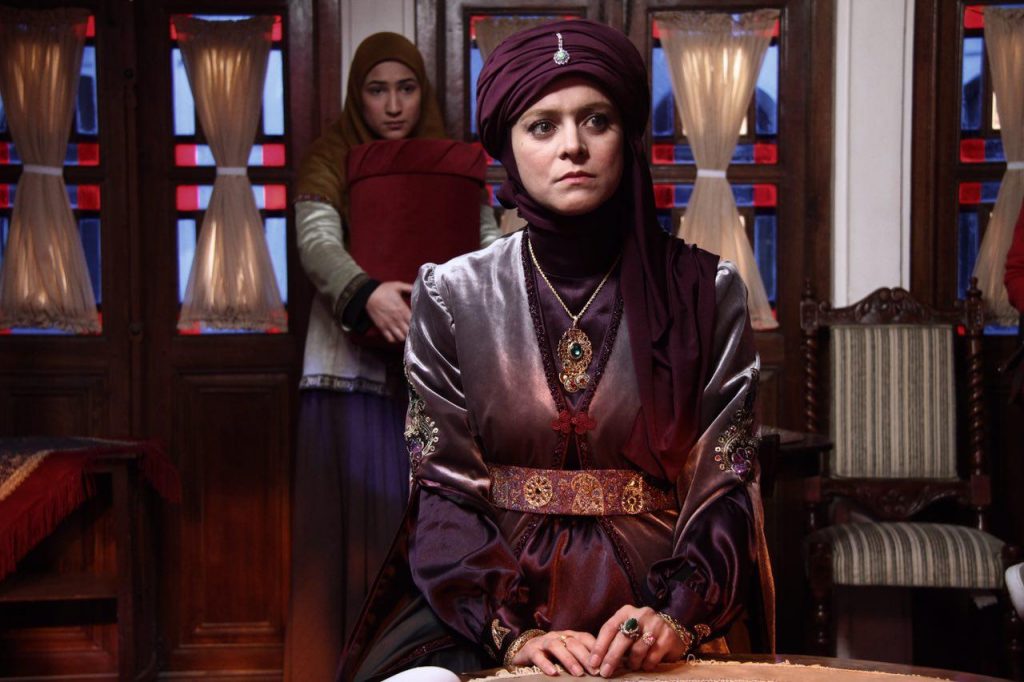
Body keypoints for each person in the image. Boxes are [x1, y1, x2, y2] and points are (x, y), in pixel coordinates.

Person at [339, 19, 772, 681]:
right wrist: (510, 635)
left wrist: (676, 615)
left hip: (657, 602)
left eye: (596, 120)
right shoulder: (452, 296)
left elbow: (725, 488)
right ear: (508, 149)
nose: (573, 145)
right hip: (489, 597)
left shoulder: (706, 291)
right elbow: (444, 490)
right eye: (542, 126)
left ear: (627, 136)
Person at [285, 32, 500, 682]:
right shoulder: (331, 156)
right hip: (350, 372)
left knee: (436, 524)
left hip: (439, 370)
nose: (394, 104)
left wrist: (464, 304)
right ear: (359, 96)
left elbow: (485, 241)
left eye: (406, 88)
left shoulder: (452, 160)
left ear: (422, 92)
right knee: (360, 532)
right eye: (377, 90)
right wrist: (366, 293)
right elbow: (317, 241)